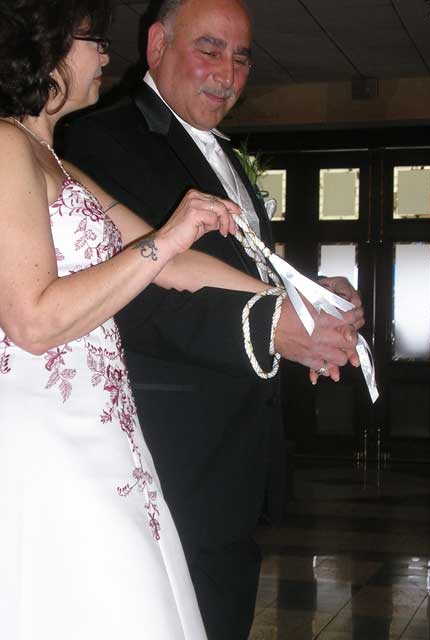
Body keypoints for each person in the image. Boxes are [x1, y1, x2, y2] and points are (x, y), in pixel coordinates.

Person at [64, 0, 364, 637]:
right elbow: (126, 296)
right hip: (165, 456)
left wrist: (310, 298)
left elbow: (230, 268)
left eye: (242, 59)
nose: (227, 75)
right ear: (156, 46)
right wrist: (273, 327)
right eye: (209, 50)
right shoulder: (98, 138)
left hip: (235, 457)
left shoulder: (221, 151)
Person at [0, 1, 292, 638]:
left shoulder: (56, 162)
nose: (107, 56)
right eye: (94, 41)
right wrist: (165, 240)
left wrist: (292, 306)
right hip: (50, 434)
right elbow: (32, 320)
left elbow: (175, 266)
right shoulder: (3, 148)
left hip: (107, 432)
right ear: (47, 48)